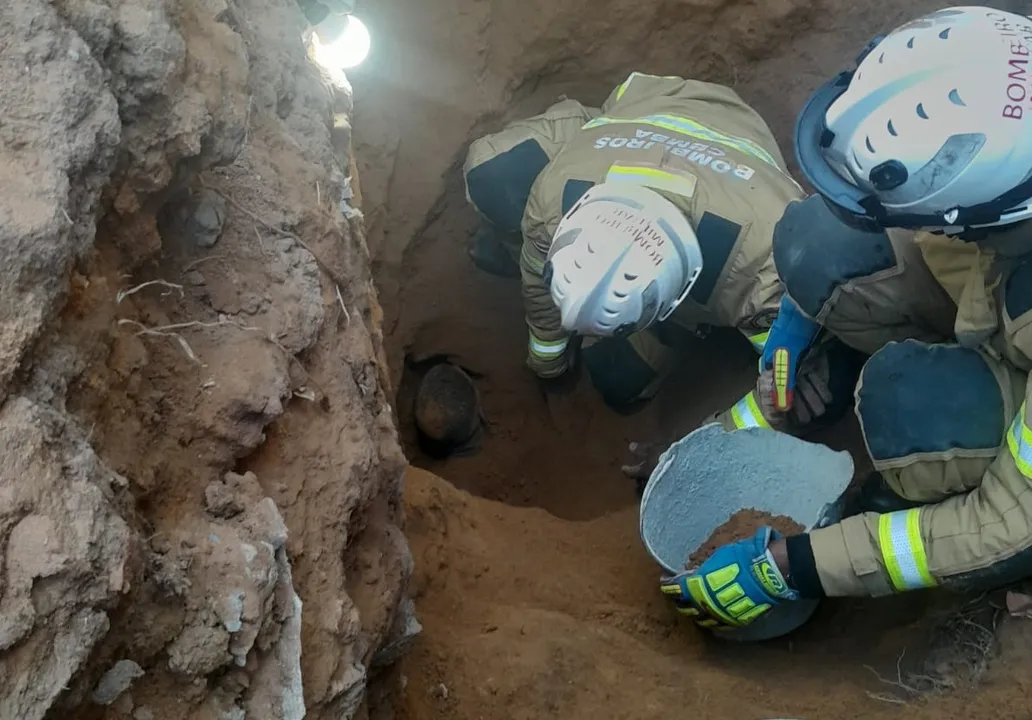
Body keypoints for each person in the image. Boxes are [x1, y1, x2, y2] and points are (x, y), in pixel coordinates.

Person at [660, 6, 1032, 632]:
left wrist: (790, 568)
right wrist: (800, 316)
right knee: (820, 247)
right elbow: (920, 232)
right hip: (994, 284)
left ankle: (925, 469)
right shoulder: (1009, 131)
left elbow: (1004, 523)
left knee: (911, 410)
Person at [462, 72, 862, 422]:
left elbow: (794, 369)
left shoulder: (767, 263)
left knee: (815, 399)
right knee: (494, 172)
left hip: (736, 143)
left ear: (675, 299)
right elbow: (538, 281)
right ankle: (512, 247)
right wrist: (547, 363)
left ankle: (684, 339)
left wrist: (767, 397)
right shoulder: (555, 198)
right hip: (646, 108)